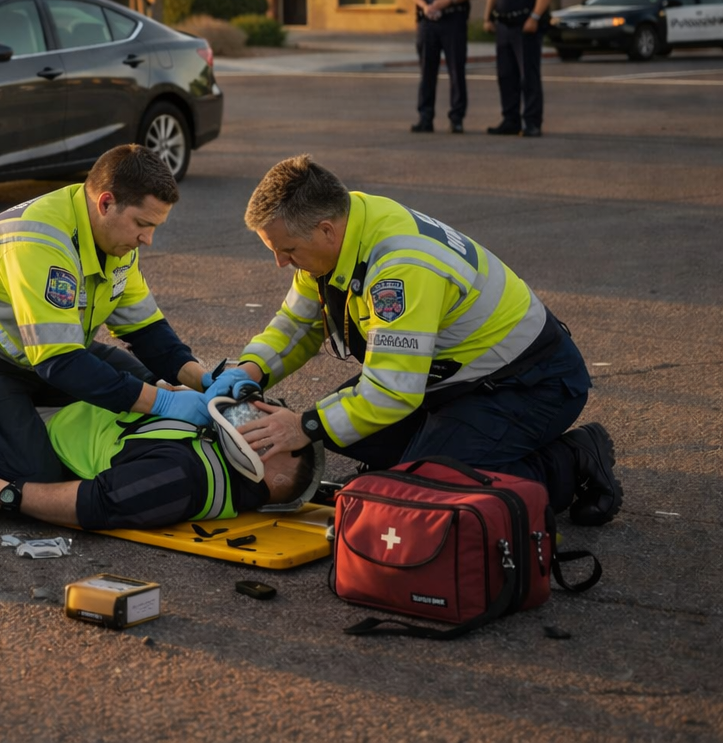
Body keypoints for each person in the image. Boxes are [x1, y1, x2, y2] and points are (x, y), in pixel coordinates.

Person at [207, 155, 622, 525]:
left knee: (431, 492)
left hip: (531, 384)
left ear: (326, 230)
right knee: (355, 431)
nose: (281, 262)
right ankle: (422, 461)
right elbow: (297, 325)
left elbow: (390, 394)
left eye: (287, 250)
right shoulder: (345, 223)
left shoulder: (399, 267)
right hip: (451, 377)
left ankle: (573, 459)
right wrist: (251, 369)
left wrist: (304, 425)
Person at [0, 145, 217, 494]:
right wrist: (163, 402)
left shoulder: (114, 240)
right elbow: (60, 363)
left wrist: (206, 381)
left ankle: (1, 424)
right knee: (35, 477)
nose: (148, 239)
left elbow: (148, 332)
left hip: (31, 355)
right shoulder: (39, 239)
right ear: (106, 203)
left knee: (151, 385)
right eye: (142, 224)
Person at [0, 399, 317, 529]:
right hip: (59, 408)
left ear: (277, 476)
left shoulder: (183, 477)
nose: (275, 424)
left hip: (32, 438)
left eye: (284, 438)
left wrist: (4, 494)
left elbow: (96, 502)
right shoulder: (215, 442)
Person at [482, 0, 555, 137]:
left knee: (528, 77)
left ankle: (532, 123)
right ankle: (510, 120)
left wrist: (534, 17)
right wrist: (487, 18)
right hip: (504, 27)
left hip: (525, 28)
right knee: (506, 76)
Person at [408, 0, 482, 134]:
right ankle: (425, 118)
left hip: (453, 23)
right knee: (427, 73)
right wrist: (425, 6)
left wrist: (449, 0)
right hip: (428, 24)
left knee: (456, 72)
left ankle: (456, 118)